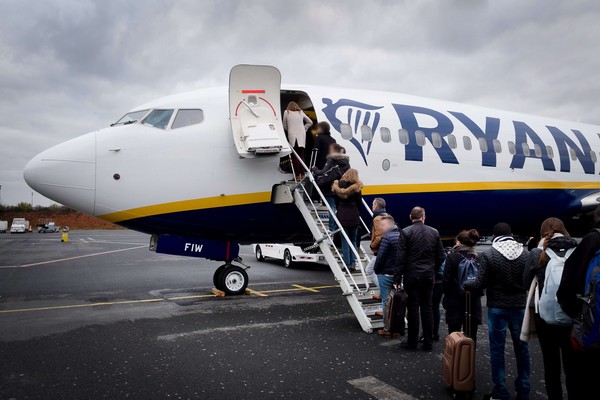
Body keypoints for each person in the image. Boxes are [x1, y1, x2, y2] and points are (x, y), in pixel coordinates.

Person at [463, 222, 530, 400]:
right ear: (512, 234)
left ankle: (500, 390)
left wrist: (466, 284)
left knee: (497, 350)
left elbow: (479, 283)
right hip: (519, 307)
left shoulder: (490, 254)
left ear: (494, 235)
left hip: (497, 307)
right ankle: (524, 389)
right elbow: (529, 281)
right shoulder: (526, 254)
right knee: (522, 350)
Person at [524, 218, 577, 400]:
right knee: (572, 366)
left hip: (544, 316)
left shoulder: (536, 253)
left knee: (551, 364)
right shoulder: (577, 251)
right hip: (572, 315)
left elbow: (525, 282)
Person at [556, 205, 600, 399]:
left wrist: (578, 316)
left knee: (582, 381)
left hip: (592, 331)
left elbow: (566, 287)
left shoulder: (592, 240)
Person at [394, 206, 445, 351]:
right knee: (427, 308)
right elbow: (441, 255)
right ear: (424, 217)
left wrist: (397, 278)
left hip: (412, 275)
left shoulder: (406, 232)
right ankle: (428, 342)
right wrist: (432, 269)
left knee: (413, 309)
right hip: (429, 276)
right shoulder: (434, 232)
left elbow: (400, 257)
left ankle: (412, 342)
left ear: (411, 217)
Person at [442, 229, 483, 341]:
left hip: (455, 300)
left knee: (454, 335)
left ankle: (455, 358)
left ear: (459, 242)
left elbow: (446, 281)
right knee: (471, 336)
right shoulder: (479, 257)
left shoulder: (452, 257)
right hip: (473, 302)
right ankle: (469, 357)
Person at [312, 144, 350, 233]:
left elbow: (324, 172)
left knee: (332, 208)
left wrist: (315, 169)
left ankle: (331, 228)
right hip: (340, 188)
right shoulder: (347, 163)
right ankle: (337, 227)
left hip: (330, 188)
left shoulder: (332, 160)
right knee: (338, 208)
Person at [373, 216, 399, 337]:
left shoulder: (387, 237)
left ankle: (387, 329)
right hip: (399, 274)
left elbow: (380, 257)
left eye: (382, 225)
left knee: (386, 302)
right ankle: (396, 328)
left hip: (386, 273)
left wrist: (376, 270)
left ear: (388, 225)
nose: (380, 228)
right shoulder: (402, 235)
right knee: (398, 301)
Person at [332, 169, 363, 271]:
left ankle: (347, 264)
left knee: (345, 241)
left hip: (342, 215)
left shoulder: (339, 186)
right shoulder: (357, 187)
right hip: (353, 215)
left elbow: (336, 201)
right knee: (353, 240)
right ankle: (353, 264)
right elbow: (359, 203)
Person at [282, 101, 312, 180]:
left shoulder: (286, 112)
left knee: (294, 156)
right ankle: (302, 174)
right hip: (301, 135)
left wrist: (288, 130)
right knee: (301, 155)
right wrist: (304, 129)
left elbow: (284, 124)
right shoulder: (300, 112)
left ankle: (297, 174)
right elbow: (310, 122)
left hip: (292, 135)